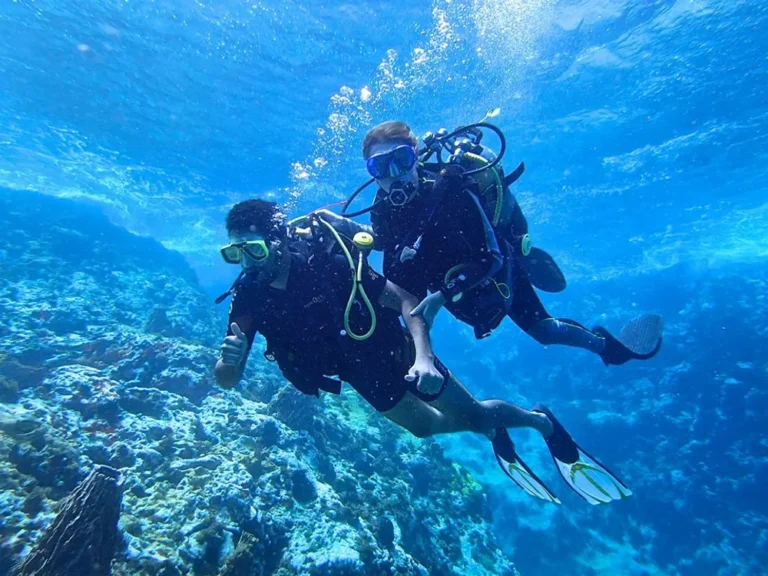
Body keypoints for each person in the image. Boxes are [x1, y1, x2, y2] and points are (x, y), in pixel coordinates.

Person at [214, 199, 631, 505]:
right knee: (427, 428)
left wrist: (423, 356)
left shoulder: (328, 264)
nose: (247, 263)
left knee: (474, 414)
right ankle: (490, 429)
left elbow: (405, 301)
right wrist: (227, 362)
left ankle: (541, 422)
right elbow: (227, 379)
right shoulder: (249, 295)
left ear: (279, 240)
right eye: (235, 253)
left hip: (396, 352)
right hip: (359, 375)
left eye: (255, 249)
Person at [318, 120, 664, 366]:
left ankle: (605, 347)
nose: (394, 175)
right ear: (371, 173)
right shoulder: (383, 207)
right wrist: (343, 226)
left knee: (544, 331)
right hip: (446, 283)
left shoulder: (451, 192)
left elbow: (490, 258)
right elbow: (386, 241)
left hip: (492, 273)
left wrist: (442, 296)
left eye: (401, 160)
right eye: (381, 167)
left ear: (416, 157)